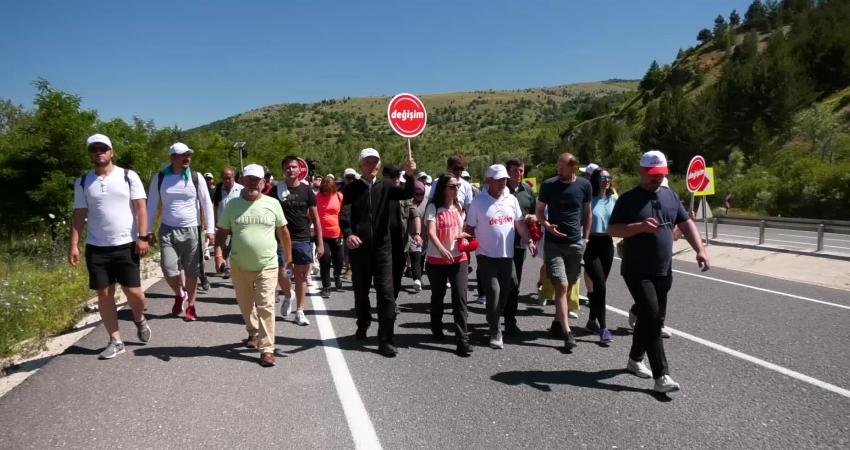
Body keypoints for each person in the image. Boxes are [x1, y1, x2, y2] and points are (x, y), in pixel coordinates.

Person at [609, 150, 710, 393]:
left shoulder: (671, 197)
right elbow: (613, 229)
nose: (656, 178)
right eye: (652, 174)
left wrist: (701, 250)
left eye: (661, 174)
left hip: (663, 270)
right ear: (642, 172)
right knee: (652, 316)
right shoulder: (628, 199)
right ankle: (661, 375)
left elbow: (686, 224)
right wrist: (639, 227)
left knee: (650, 318)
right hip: (636, 270)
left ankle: (634, 360)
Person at [69, 134, 151, 359]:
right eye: (94, 149)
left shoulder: (128, 176)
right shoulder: (84, 182)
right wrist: (74, 245)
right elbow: (79, 215)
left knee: (134, 293)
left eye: (103, 148)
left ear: (111, 152)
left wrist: (143, 237)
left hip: (126, 244)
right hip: (97, 247)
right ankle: (115, 340)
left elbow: (141, 208)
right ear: (90, 154)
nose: (99, 152)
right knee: (104, 293)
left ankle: (139, 318)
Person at [340, 148, 416, 357]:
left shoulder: (387, 187)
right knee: (361, 293)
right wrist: (348, 234)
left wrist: (409, 176)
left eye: (375, 162)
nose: (371, 165)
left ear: (379, 165)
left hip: (384, 249)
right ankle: (363, 322)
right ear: (360, 165)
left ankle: (386, 339)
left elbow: (408, 193)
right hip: (360, 250)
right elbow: (344, 215)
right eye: (367, 162)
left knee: (386, 295)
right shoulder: (352, 188)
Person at [215, 164, 292, 367]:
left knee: (265, 305)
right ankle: (253, 331)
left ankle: (267, 349)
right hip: (239, 265)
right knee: (246, 305)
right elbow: (222, 232)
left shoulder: (273, 203)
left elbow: (283, 233)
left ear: (263, 182)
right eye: (248, 179)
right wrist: (219, 255)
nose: (252, 183)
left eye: (256, 180)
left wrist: (289, 260)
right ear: (242, 181)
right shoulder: (232, 205)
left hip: (267, 265)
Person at [465, 164, 535, 350]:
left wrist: (528, 240)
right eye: (498, 179)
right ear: (489, 181)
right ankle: (495, 330)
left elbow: (519, 224)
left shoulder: (511, 200)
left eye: (504, 179)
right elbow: (469, 229)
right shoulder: (478, 202)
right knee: (494, 292)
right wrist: (464, 247)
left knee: (510, 286)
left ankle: (493, 316)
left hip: (507, 255)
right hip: (486, 256)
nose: (503, 182)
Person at [146, 143, 215, 321]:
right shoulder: (161, 177)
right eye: (182, 155)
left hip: (192, 228)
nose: (187, 158)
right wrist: (148, 230)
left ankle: (191, 305)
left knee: (192, 271)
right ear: (172, 158)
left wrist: (210, 230)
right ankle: (179, 294)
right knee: (168, 269)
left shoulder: (195, 177)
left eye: (189, 155)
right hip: (168, 229)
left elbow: (206, 203)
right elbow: (152, 205)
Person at [535, 153, 592, 352]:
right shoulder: (549, 185)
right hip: (554, 244)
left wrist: (585, 238)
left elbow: (587, 212)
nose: (558, 169)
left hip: (576, 244)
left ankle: (557, 323)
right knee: (562, 285)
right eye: (557, 165)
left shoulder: (584, 185)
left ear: (573, 167)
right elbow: (539, 211)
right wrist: (547, 226)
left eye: (562, 166)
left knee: (568, 287)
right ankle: (568, 333)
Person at [424, 174, 472, 356]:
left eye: (457, 186)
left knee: (460, 298)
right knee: (438, 296)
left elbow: (459, 229)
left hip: (459, 258)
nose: (456, 189)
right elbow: (431, 231)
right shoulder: (433, 207)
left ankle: (462, 340)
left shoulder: (458, 206)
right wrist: (441, 249)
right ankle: (436, 326)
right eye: (452, 186)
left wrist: (463, 236)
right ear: (443, 188)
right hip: (437, 260)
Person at [276, 155, 324, 326]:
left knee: (301, 276)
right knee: (282, 273)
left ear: (299, 170)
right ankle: (289, 294)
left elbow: (316, 218)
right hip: (281, 240)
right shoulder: (276, 190)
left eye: (294, 167)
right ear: (283, 170)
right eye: (287, 167)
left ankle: (300, 311)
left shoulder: (307, 190)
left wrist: (320, 242)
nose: (291, 170)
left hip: (303, 238)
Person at [584, 167, 617, 344]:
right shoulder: (588, 200)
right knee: (601, 285)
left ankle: (591, 321)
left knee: (599, 287)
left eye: (608, 178)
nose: (606, 180)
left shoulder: (614, 199)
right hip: (591, 245)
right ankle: (603, 328)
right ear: (595, 180)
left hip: (607, 245)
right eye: (602, 178)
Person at [504, 158, 536, 336]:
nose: (518, 174)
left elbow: (535, 214)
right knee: (502, 283)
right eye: (515, 171)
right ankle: (496, 312)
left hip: (519, 244)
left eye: (521, 170)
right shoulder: (499, 190)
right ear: (508, 172)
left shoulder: (528, 192)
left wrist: (534, 219)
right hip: (499, 245)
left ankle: (510, 320)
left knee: (514, 284)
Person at [384, 165, 422, 300]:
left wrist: (417, 234)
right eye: (393, 177)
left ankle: (392, 301)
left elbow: (415, 215)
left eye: (398, 177)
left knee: (397, 274)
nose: (396, 180)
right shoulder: (380, 193)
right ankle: (386, 302)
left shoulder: (404, 196)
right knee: (385, 275)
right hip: (384, 243)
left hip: (401, 243)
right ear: (386, 177)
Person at [316, 174, 344, 297]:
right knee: (325, 260)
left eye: (329, 190)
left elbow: (344, 215)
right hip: (322, 235)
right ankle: (326, 286)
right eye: (324, 190)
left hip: (338, 234)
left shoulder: (339, 196)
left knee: (339, 260)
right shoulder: (316, 197)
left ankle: (337, 275)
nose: (326, 192)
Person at [409, 180, 428, 292]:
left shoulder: (428, 202)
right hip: (412, 235)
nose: (419, 196)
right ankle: (416, 279)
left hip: (425, 235)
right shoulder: (409, 202)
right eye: (416, 194)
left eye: (421, 193)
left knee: (421, 257)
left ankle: (419, 277)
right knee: (415, 256)